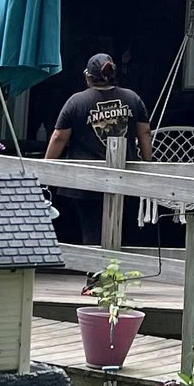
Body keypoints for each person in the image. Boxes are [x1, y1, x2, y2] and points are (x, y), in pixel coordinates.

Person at [46, 54, 152, 247]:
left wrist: (45, 168)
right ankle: (114, 273)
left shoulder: (76, 102)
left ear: (88, 77)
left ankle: (95, 274)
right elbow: (144, 132)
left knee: (91, 230)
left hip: (86, 181)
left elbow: (59, 137)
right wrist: (147, 162)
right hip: (125, 177)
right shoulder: (132, 98)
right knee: (122, 231)